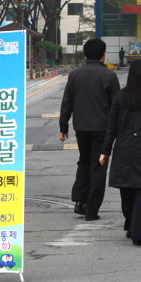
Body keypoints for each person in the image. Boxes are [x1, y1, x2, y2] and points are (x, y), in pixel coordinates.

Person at [99, 59, 141, 246]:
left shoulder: (121, 97)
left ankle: (131, 224)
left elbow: (112, 127)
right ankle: (137, 231)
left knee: (126, 189)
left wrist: (105, 151)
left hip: (124, 149)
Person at [59, 38, 120, 220]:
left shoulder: (75, 74)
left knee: (84, 161)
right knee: (98, 166)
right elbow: (117, 105)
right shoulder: (109, 76)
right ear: (103, 55)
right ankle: (91, 210)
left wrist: (63, 126)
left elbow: (67, 101)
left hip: (81, 127)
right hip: (102, 128)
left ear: (85, 54)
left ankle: (80, 201)